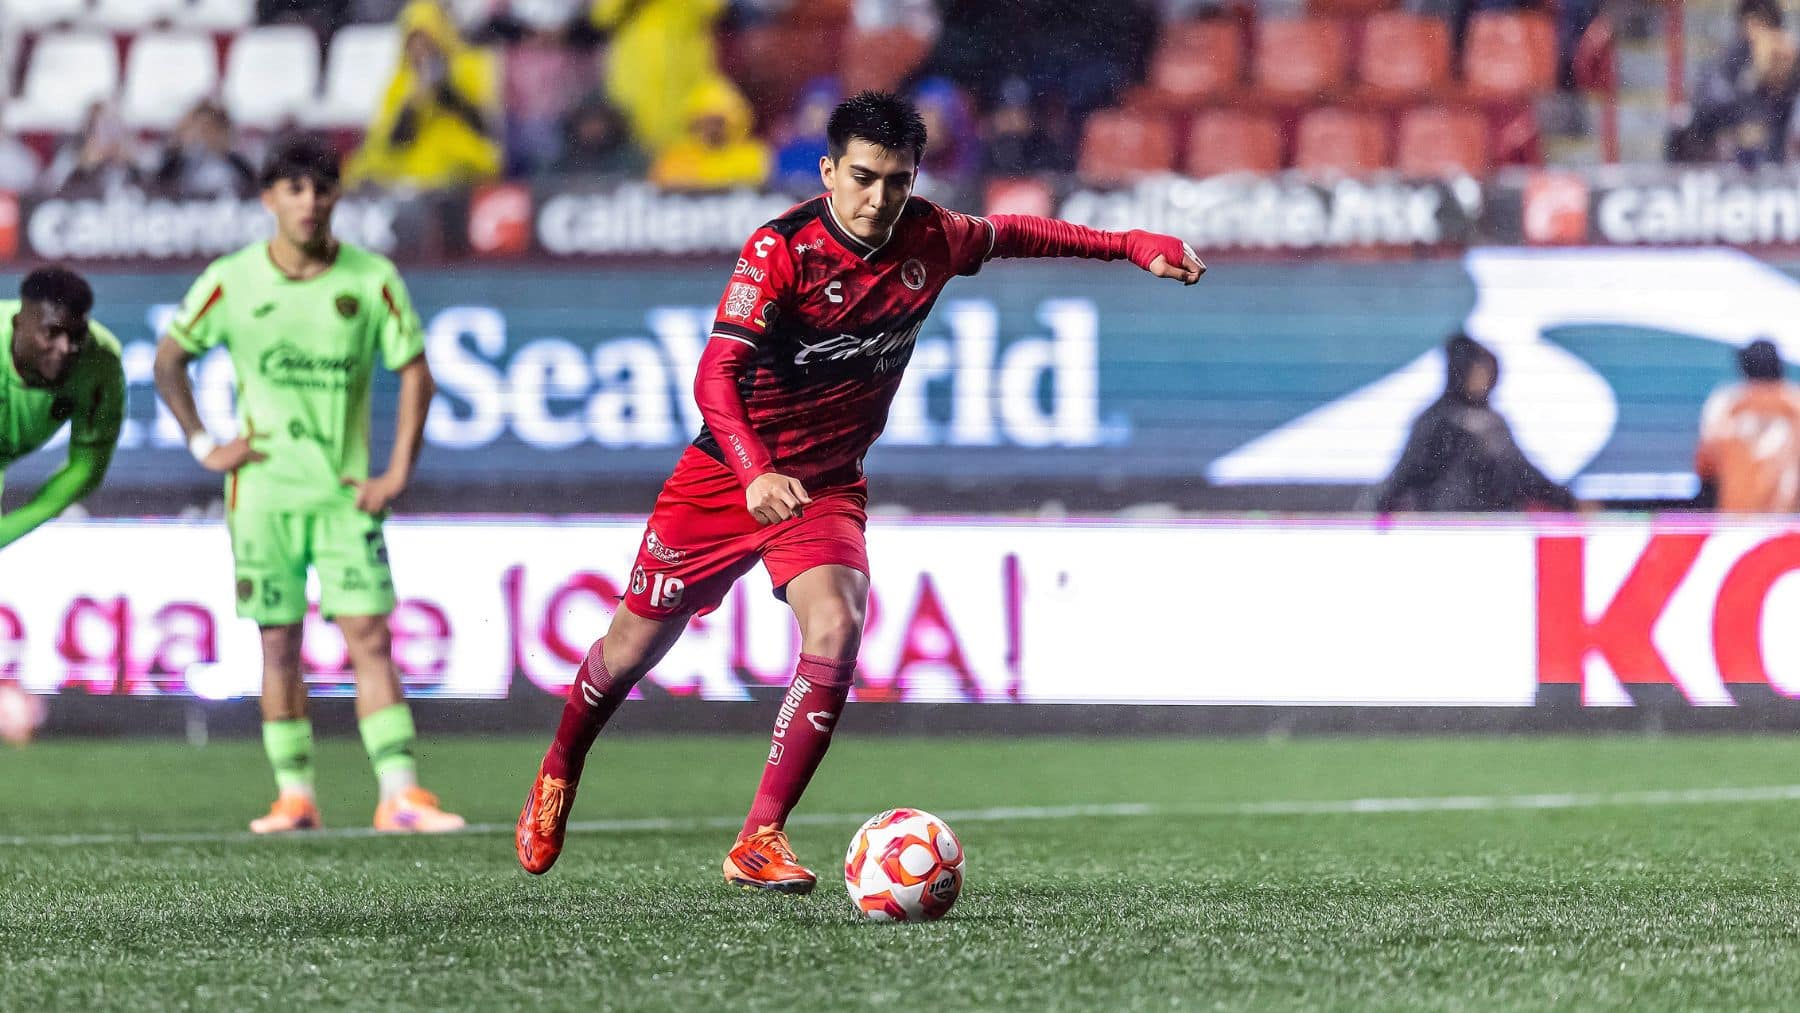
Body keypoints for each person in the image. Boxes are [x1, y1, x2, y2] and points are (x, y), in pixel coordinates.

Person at [515, 91, 1203, 890]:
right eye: (865, 178)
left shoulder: (931, 235)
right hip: (727, 475)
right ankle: (561, 764)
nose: (880, 199)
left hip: (826, 482)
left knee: (837, 624)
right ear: (829, 170)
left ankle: (759, 837)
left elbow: (1017, 231)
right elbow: (714, 377)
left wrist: (1128, 244)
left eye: (899, 181)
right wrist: (753, 471)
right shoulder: (780, 250)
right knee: (631, 649)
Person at [152, 137, 463, 835]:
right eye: (293, 188)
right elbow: (170, 358)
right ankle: (294, 795)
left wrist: (396, 472)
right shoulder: (232, 279)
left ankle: (401, 793)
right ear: (269, 199)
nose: (308, 201)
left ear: (337, 197)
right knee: (278, 643)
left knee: (368, 634)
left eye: (321, 187)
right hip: (261, 493)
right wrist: (206, 443)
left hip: (342, 491)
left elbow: (417, 371)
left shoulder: (370, 277)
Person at [1372, 332, 1578, 513]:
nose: (1483, 378)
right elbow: (1404, 476)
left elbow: (1523, 474)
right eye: (1476, 370)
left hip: (1495, 527)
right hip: (1446, 529)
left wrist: (1566, 500)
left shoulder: (1493, 423)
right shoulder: (1435, 422)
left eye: (1486, 371)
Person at [0, 267, 125, 552]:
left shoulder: (100, 361)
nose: (66, 348)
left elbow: (86, 467)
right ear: (19, 323)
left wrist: (8, 530)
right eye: (52, 332)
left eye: (77, 335)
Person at [345, 0, 501, 190]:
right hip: (410, 168)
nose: (420, 50)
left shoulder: (467, 68)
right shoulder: (399, 82)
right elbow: (391, 141)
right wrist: (412, 105)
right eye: (414, 42)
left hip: (456, 163)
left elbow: (484, 125)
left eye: (426, 41)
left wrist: (445, 89)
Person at [1669, 0, 1800, 166]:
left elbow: (1784, 112)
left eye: (1763, 24)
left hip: (1774, 156)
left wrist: (1783, 73)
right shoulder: (1733, 57)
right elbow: (1712, 105)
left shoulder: (1789, 57)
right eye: (1752, 23)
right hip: (1730, 155)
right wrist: (1754, 74)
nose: (1757, 33)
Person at [1695, 338, 1800, 512]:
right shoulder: (1727, 403)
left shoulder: (1793, 402)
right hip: (1739, 519)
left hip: (1786, 518)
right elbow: (1705, 464)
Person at [647, 77, 772, 191]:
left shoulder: (753, 156)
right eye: (704, 122)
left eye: (717, 122)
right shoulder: (675, 158)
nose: (710, 129)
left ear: (735, 122)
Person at [151, 101, 257, 200]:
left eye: (209, 129)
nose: (203, 136)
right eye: (199, 129)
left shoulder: (236, 163)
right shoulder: (177, 162)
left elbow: (253, 186)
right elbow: (158, 185)